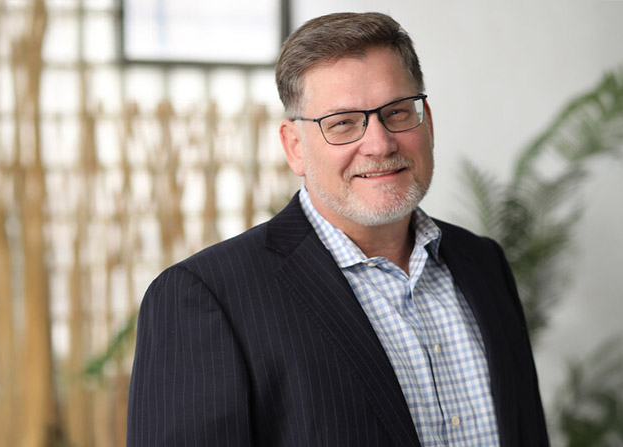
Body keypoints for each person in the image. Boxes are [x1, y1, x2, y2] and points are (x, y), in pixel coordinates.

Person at [127, 12, 548, 447]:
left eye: (397, 112)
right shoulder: (206, 297)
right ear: (295, 147)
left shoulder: (483, 263)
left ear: (427, 122)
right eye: (343, 123)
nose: (380, 144)